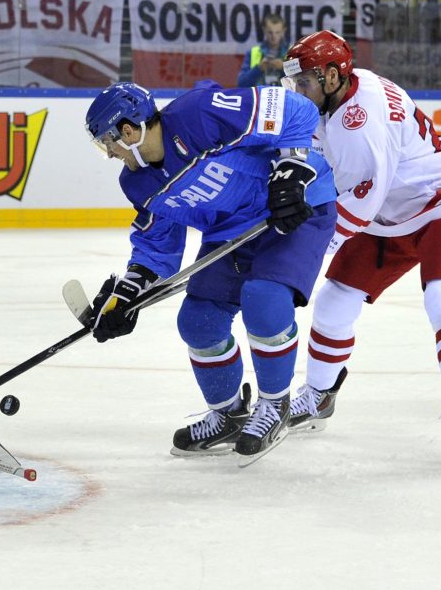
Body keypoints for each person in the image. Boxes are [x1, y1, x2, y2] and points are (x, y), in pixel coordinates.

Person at [83, 81, 337, 465]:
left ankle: (274, 406)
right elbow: (158, 245)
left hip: (292, 208)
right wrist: (128, 292)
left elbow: (297, 108)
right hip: (234, 231)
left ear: (129, 130)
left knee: (264, 300)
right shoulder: (137, 181)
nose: (110, 152)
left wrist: (293, 168)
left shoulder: (199, 113)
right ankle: (229, 414)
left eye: (109, 142)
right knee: (199, 321)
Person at [280, 30, 441, 464]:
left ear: (334, 75)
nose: (298, 92)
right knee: (335, 300)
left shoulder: (360, 119)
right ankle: (319, 395)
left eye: (304, 82)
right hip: (389, 213)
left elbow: (359, 202)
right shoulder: (337, 98)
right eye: (294, 83)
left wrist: (304, 252)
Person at [237, 14, 289, 87]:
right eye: (270, 32)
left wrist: (283, 68)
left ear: (283, 31)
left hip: (285, 97)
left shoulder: (292, 52)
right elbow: (241, 83)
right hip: (260, 97)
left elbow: (299, 80)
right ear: (264, 30)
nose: (273, 36)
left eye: (277, 32)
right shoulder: (252, 52)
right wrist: (259, 69)